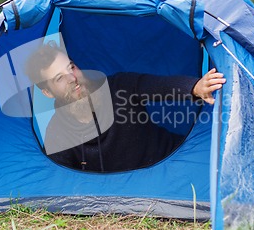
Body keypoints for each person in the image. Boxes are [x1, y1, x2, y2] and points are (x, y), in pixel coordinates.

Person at [26, 44, 225, 172]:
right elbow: (59, 183)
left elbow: (156, 86)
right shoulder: (57, 135)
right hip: (130, 194)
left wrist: (194, 87)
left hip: (172, 163)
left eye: (71, 67)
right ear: (48, 92)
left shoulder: (118, 86)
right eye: (59, 78)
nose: (73, 78)